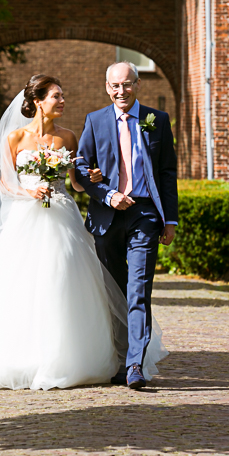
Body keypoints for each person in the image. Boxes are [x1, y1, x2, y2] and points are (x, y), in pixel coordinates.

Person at [0, 74, 167, 390]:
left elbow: (78, 182)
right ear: (38, 101)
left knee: (64, 278)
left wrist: (92, 176)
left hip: (63, 215)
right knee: (18, 283)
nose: (63, 101)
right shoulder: (15, 138)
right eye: (56, 96)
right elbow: (4, 181)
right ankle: (19, 354)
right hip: (26, 216)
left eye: (63, 96)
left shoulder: (68, 137)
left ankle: (70, 356)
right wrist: (28, 193)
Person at [73, 62, 178, 390]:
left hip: (145, 215)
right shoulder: (95, 121)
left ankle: (135, 364)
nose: (122, 91)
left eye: (128, 84)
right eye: (115, 86)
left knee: (138, 290)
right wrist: (107, 195)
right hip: (106, 217)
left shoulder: (157, 120)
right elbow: (81, 169)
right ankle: (118, 358)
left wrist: (170, 219)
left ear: (137, 85)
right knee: (113, 292)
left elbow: (167, 172)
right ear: (107, 87)